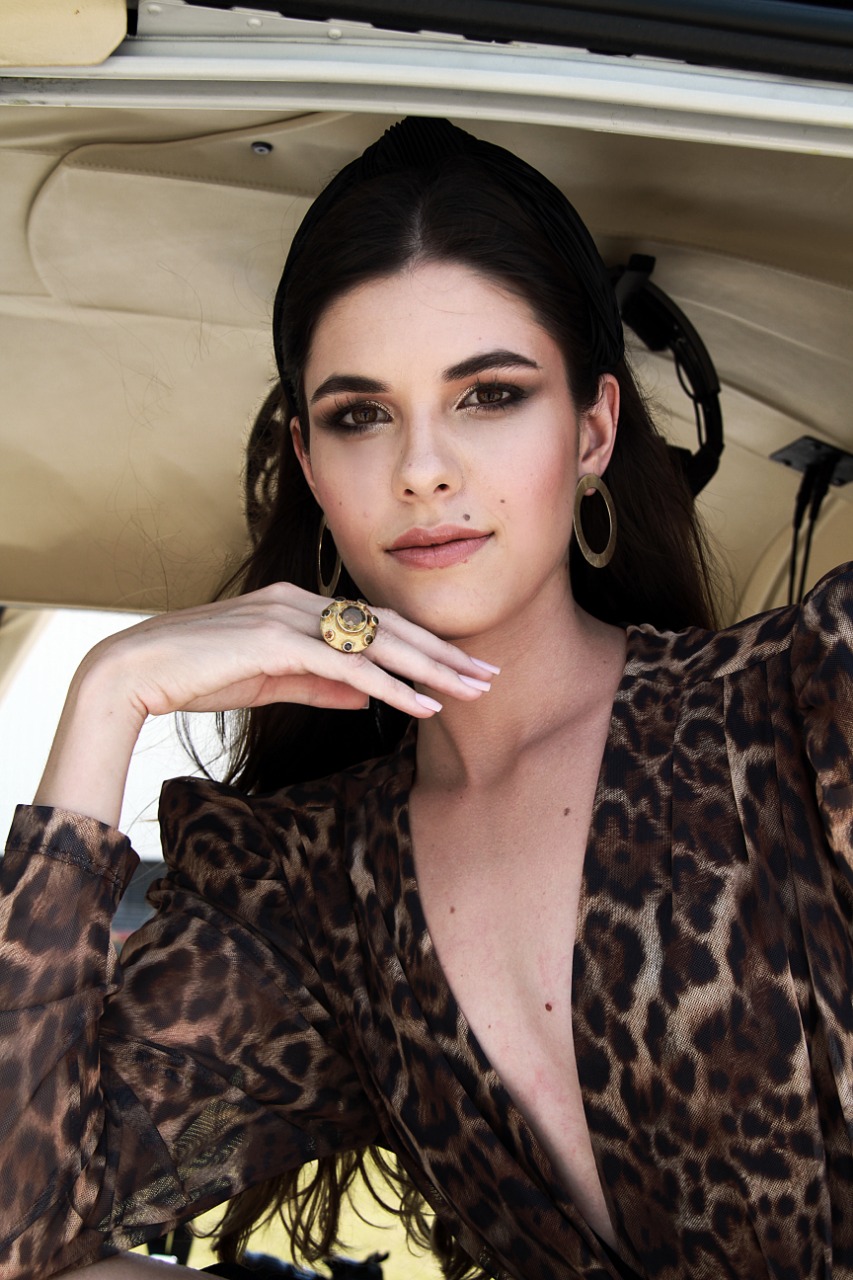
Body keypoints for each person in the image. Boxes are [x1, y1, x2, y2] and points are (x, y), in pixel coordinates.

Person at [1, 115, 851, 1280]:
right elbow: (17, 1228)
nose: (422, 469)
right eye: (361, 415)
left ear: (593, 428)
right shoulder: (320, 886)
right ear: (311, 464)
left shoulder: (801, 702)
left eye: (489, 395)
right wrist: (109, 691)